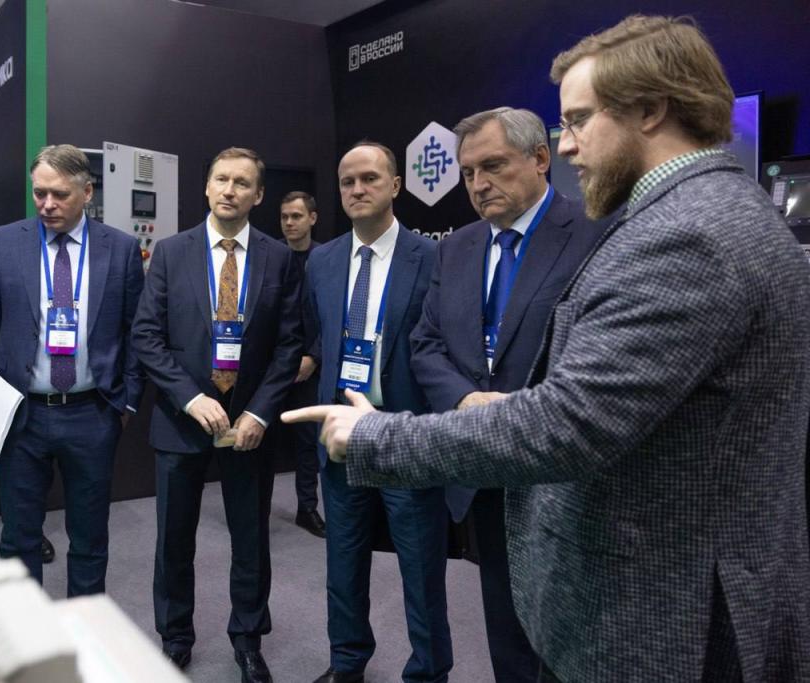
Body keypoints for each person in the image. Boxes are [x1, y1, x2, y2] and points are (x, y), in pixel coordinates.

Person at [285, 15, 810, 682]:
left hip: (672, 607)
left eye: (580, 119)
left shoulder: (686, 235)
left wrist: (374, 437)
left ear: (651, 109)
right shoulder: (705, 212)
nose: (567, 145)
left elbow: (570, 423)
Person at [410, 107, 608, 680]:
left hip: (564, 477)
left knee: (573, 637)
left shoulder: (594, 232)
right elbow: (426, 343)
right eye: (469, 172)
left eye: (493, 166)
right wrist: (465, 401)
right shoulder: (457, 247)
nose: (478, 184)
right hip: (484, 471)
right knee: (507, 626)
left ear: (541, 158)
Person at [132, 147, 301, 682]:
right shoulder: (171, 252)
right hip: (182, 419)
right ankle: (174, 637)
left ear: (258, 195)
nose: (230, 189)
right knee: (173, 540)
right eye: (221, 179)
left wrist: (260, 413)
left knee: (250, 539)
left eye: (242, 182)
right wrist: (189, 397)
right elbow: (147, 336)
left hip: (248, 426)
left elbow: (288, 346)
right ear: (206, 187)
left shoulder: (278, 258)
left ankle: (248, 639)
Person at [0, 144, 145, 596]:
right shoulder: (6, 241)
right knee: (18, 536)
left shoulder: (120, 248)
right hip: (20, 413)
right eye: (39, 193)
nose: (47, 204)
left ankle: (86, 624)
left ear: (87, 192)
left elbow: (136, 331)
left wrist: (127, 400)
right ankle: (27, 630)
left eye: (59, 194)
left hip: (92, 413)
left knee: (89, 537)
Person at [303, 142, 451, 683]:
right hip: (341, 437)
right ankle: (347, 664)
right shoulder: (321, 260)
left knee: (421, 571)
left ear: (395, 185)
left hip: (402, 435)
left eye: (369, 178)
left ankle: (428, 673)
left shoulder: (432, 257)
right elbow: (318, 337)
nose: (357, 189)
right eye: (348, 181)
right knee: (343, 566)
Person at [270, 191, 324, 537]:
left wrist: (314, 357)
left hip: (309, 366)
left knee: (308, 443)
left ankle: (307, 508)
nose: (289, 223)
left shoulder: (326, 259)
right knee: (260, 437)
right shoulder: (270, 255)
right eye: (285, 217)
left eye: (297, 216)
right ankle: (254, 507)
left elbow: (332, 314)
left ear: (312, 218)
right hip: (272, 366)